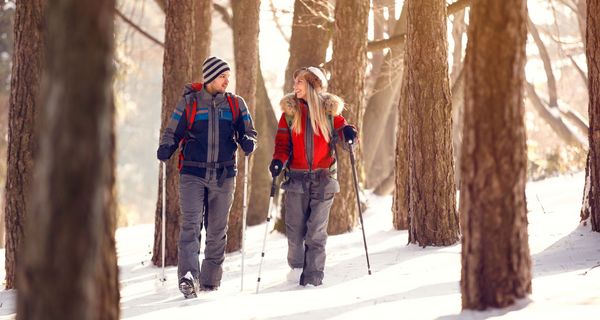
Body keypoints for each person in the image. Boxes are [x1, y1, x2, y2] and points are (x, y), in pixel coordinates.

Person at [157, 56, 257, 298]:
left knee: (217, 230)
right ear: (210, 77)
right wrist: (166, 147)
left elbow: (250, 131)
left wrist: (248, 141)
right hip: (192, 173)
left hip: (223, 175)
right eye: (223, 76)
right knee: (190, 226)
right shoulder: (189, 103)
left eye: (228, 77)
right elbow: (172, 131)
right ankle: (189, 278)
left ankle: (210, 282)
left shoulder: (235, 104)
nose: (227, 81)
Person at [270, 66, 358, 287]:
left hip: (323, 179)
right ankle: (297, 268)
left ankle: (312, 279)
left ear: (311, 85)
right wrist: (278, 161)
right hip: (296, 180)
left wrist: (349, 135)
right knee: (295, 232)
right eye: (295, 82)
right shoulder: (289, 114)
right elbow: (282, 145)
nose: (295, 86)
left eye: (299, 82)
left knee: (316, 233)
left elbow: (345, 135)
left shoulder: (330, 114)